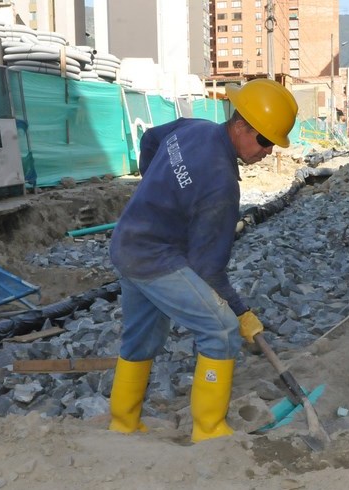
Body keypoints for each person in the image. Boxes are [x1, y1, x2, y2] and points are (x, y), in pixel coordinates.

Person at [108, 79, 298, 443]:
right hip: (156, 258)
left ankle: (123, 423)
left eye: (273, 143)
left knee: (141, 336)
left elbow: (149, 139)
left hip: (128, 243)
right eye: (264, 140)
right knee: (220, 330)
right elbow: (208, 269)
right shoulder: (221, 184)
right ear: (240, 126)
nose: (269, 151)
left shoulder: (193, 128)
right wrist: (241, 313)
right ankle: (210, 431)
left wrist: (158, 189)